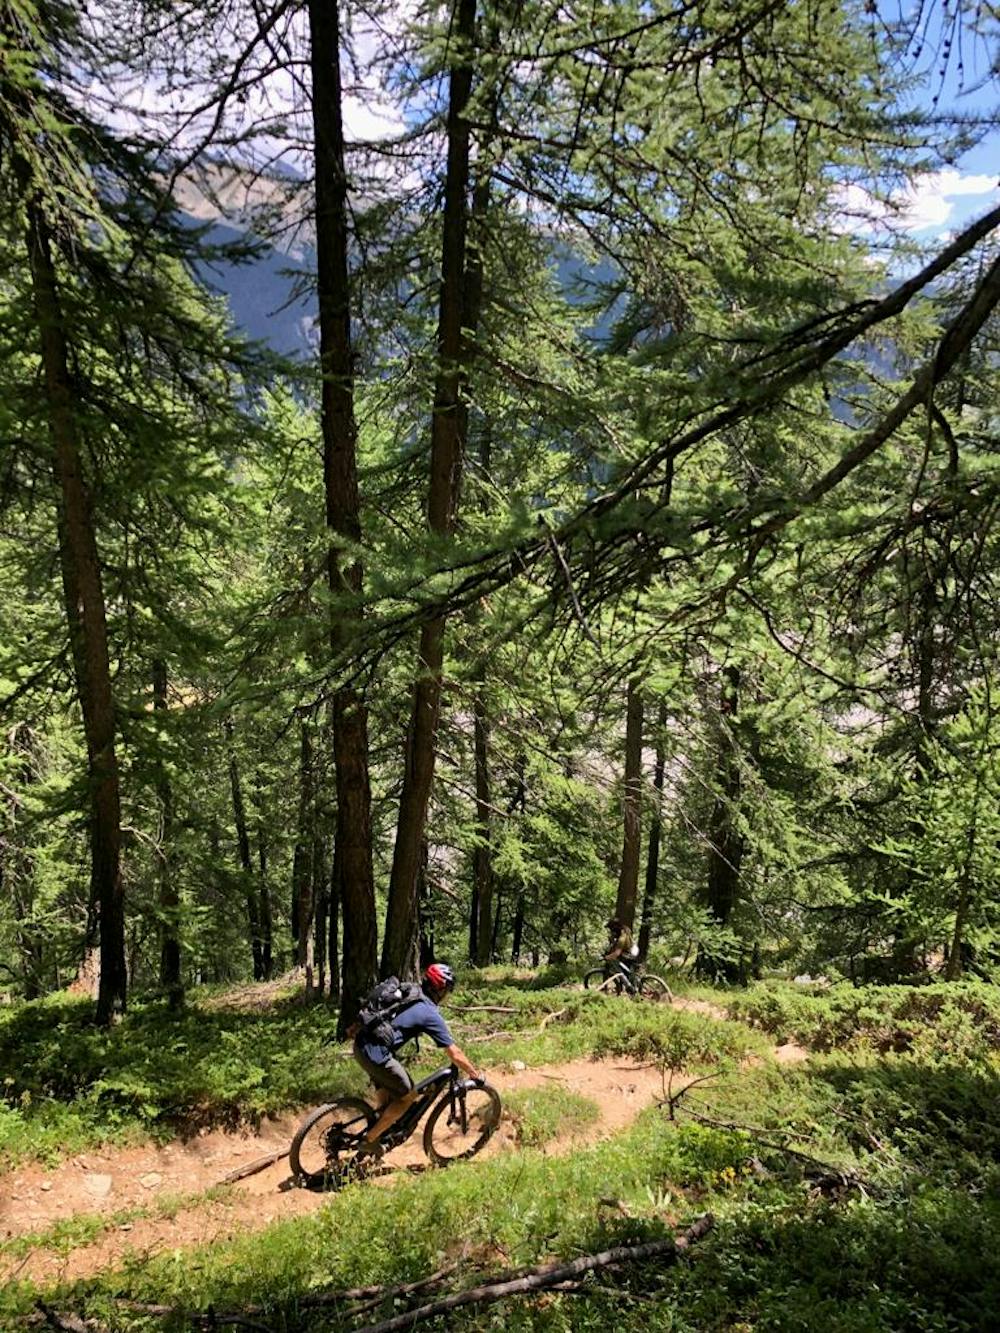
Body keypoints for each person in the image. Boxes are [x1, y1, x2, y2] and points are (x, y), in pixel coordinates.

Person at [352, 962, 482, 1145]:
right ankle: (369, 1141)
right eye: (446, 990)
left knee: (388, 1096)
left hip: (361, 1045)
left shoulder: (410, 991)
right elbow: (454, 1053)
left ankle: (381, 1129)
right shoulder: (429, 1013)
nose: (446, 995)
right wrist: (474, 1074)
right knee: (407, 1097)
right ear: (440, 989)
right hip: (376, 1055)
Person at [604, 917, 635, 982]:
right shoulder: (625, 930)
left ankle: (628, 984)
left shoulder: (622, 939)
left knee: (615, 962)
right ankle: (624, 982)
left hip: (629, 953)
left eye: (611, 929)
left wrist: (607, 957)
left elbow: (617, 953)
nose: (611, 931)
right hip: (630, 950)